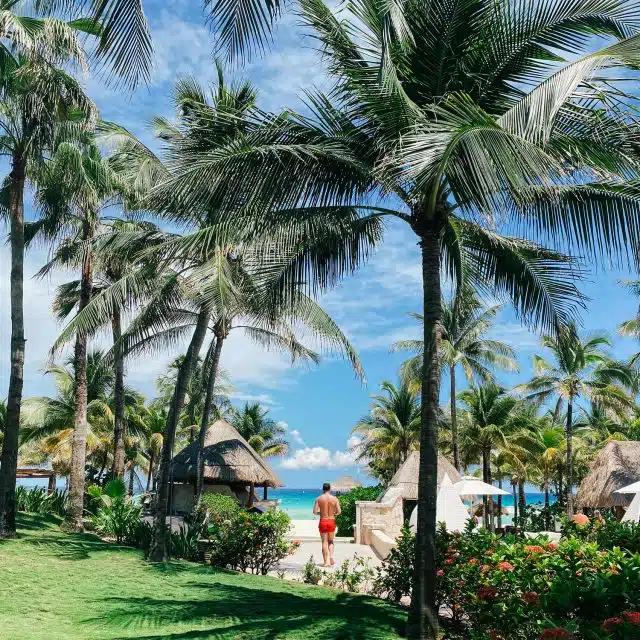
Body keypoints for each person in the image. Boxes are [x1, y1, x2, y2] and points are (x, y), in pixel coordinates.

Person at [313, 482, 341, 567]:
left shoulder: (319, 499)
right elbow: (339, 511)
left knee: (324, 541)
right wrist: (333, 514)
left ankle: (326, 562)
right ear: (330, 489)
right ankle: (331, 557)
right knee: (331, 541)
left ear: (323, 489)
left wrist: (321, 513)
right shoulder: (335, 499)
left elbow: (314, 511)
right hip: (331, 521)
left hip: (323, 521)